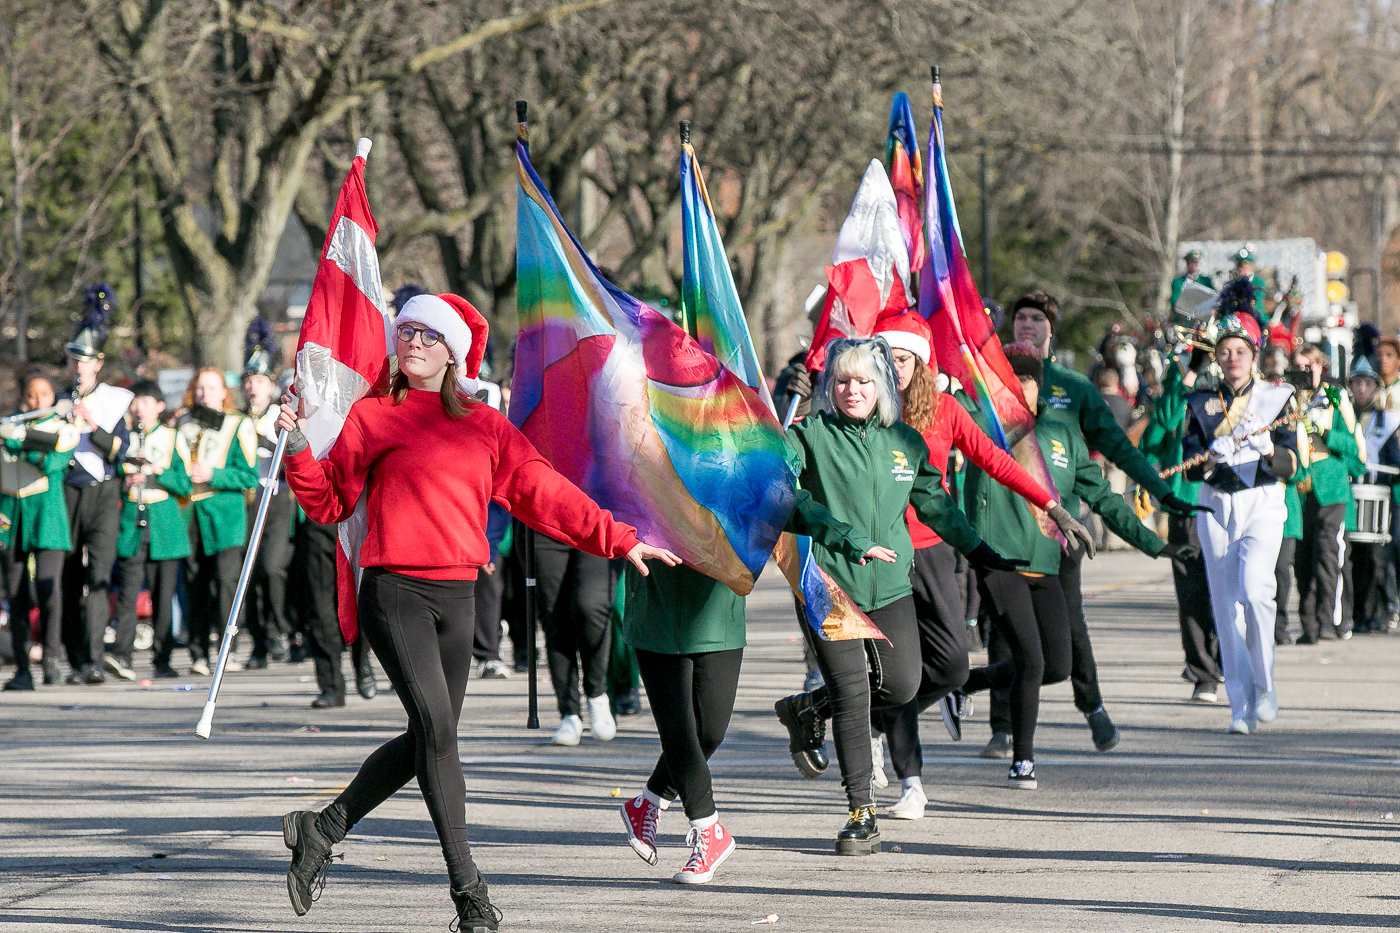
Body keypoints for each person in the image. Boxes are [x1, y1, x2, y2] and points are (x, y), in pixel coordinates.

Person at [275, 291, 679, 932]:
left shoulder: (486, 425)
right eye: (406, 331)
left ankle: (320, 828)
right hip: (395, 592)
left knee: (430, 739)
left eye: (428, 335)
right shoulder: (372, 415)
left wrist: (618, 538)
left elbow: (544, 492)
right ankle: (470, 895)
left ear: (453, 354)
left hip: (459, 598)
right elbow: (328, 502)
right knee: (437, 734)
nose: (412, 342)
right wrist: (297, 442)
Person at [771, 337, 1026, 856]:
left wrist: (981, 552)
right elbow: (784, 493)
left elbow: (936, 505)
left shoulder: (904, 442)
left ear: (882, 386)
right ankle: (860, 813)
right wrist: (845, 537)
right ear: (829, 386)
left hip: (889, 586)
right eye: (843, 380)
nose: (853, 390)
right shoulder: (807, 435)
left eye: (864, 380)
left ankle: (808, 708)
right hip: (829, 586)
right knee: (852, 695)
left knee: (903, 685)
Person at [866, 310, 1091, 819]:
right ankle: (909, 782)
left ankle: (868, 718)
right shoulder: (866, 409)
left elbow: (997, 459)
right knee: (899, 670)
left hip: (933, 548)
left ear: (921, 364)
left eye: (902, 359)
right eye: (885, 358)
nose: (893, 368)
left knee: (951, 667)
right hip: (879, 554)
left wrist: (1049, 503)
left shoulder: (944, 410)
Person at [981, 289, 1207, 757]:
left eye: (1037, 319)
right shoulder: (989, 381)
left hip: (1060, 530)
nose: (1027, 324)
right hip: (1003, 528)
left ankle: (1093, 707)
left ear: (1052, 329)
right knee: (1004, 630)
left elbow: (1118, 451)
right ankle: (1002, 726)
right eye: (1021, 317)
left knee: (1071, 626)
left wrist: (1161, 492)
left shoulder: (1073, 388)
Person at [1181, 294, 1300, 734]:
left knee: (1254, 591)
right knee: (1225, 608)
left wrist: (1269, 450)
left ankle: (1265, 684)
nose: (1233, 358)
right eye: (1225, 351)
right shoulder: (1200, 402)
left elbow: (1291, 464)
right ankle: (1240, 706)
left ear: (1254, 356)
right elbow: (1189, 467)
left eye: (1241, 351)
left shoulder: (1278, 398)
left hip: (1262, 502)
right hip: (1215, 504)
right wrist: (1208, 459)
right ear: (1216, 356)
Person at [1140, 343, 1223, 701]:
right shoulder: (1179, 380)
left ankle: (1226, 659)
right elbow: (1163, 426)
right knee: (1192, 593)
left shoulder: (1233, 381)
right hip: (1186, 505)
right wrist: (1189, 373)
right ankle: (1203, 671)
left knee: (1227, 587)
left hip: (1226, 502)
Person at [59, 284, 132, 686]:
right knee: (69, 574)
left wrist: (91, 424)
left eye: (85, 360)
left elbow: (121, 449)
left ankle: (95, 659)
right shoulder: (59, 398)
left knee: (99, 575)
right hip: (68, 490)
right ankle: (74, 659)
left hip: (102, 491)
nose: (78, 366)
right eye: (74, 358)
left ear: (98, 363)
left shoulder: (114, 400)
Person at [178, 368, 258, 675]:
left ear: (224, 392)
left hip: (226, 515)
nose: (204, 394)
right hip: (191, 514)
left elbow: (249, 475)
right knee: (195, 584)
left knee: (226, 583)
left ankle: (228, 650)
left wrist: (214, 474)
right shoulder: (183, 423)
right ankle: (198, 653)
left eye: (211, 388)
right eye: (200, 388)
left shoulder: (239, 424)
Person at [111, 380, 191, 680]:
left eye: (145, 402)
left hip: (164, 521)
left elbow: (184, 484)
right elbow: (112, 477)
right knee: (128, 591)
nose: (139, 408)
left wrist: (158, 471)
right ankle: (121, 655)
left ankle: (163, 657)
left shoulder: (172, 437)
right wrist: (125, 482)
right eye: (136, 402)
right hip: (132, 519)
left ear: (159, 406)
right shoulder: (124, 437)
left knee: (163, 593)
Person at [1, 374, 77, 690]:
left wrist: (20, 440)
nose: (37, 401)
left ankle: (51, 660)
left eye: (44, 394)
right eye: (31, 395)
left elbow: (51, 463)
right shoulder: (7, 427)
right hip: (10, 517)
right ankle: (22, 669)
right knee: (15, 594)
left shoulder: (64, 429)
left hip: (47, 517)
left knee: (48, 588)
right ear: (23, 400)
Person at [1290, 344, 1365, 643]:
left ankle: (1330, 622)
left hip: (1331, 489)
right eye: (1298, 367)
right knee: (1303, 561)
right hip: (1300, 490)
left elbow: (1354, 446)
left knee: (1328, 557)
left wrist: (1323, 431)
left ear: (1320, 366)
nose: (1303, 372)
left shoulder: (1335, 396)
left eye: (1308, 366)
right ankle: (1308, 625)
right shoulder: (1288, 397)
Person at [240, 318, 294, 668]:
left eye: (259, 381)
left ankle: (279, 631)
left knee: (273, 568)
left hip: (276, 499)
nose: (252, 388)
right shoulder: (236, 419)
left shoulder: (279, 415)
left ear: (270, 385)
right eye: (248, 381)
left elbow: (291, 458)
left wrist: (263, 441)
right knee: (250, 572)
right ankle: (258, 642)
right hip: (246, 500)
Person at [1351, 356, 1400, 633]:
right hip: (1350, 496)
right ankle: (1356, 613)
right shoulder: (1345, 415)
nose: (1361, 389)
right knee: (1353, 558)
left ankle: (1378, 613)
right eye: (1356, 383)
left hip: (1378, 498)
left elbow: (1395, 459)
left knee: (1377, 557)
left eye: (1367, 384)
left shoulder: (1387, 421)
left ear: (1375, 388)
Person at [1231, 248, 1270, 328]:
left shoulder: (1258, 282)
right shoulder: (1234, 282)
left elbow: (1255, 301)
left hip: (1256, 319)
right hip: (1237, 319)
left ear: (1251, 266)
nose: (1240, 269)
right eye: (1238, 266)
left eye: (1243, 266)